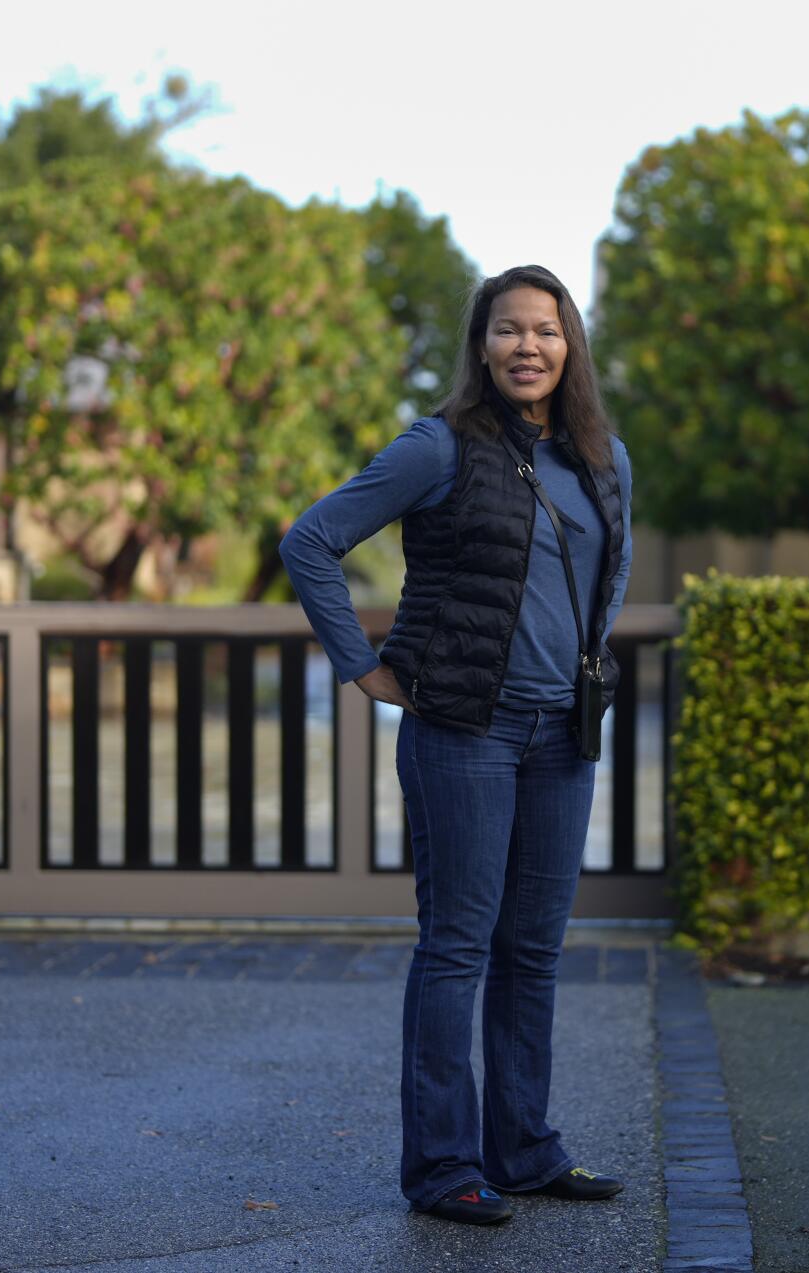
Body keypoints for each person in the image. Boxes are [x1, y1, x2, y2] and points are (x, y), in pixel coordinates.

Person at [278, 264, 634, 1226]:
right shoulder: (435, 449)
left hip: (562, 734)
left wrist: (585, 667)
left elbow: (612, 571)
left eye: (547, 331)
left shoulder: (604, 458)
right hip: (463, 732)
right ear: (481, 345)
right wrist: (363, 667)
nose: (529, 346)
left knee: (535, 950)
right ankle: (443, 1166)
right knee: (458, 948)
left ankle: (522, 1147)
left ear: (571, 348)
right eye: (509, 329)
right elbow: (311, 540)